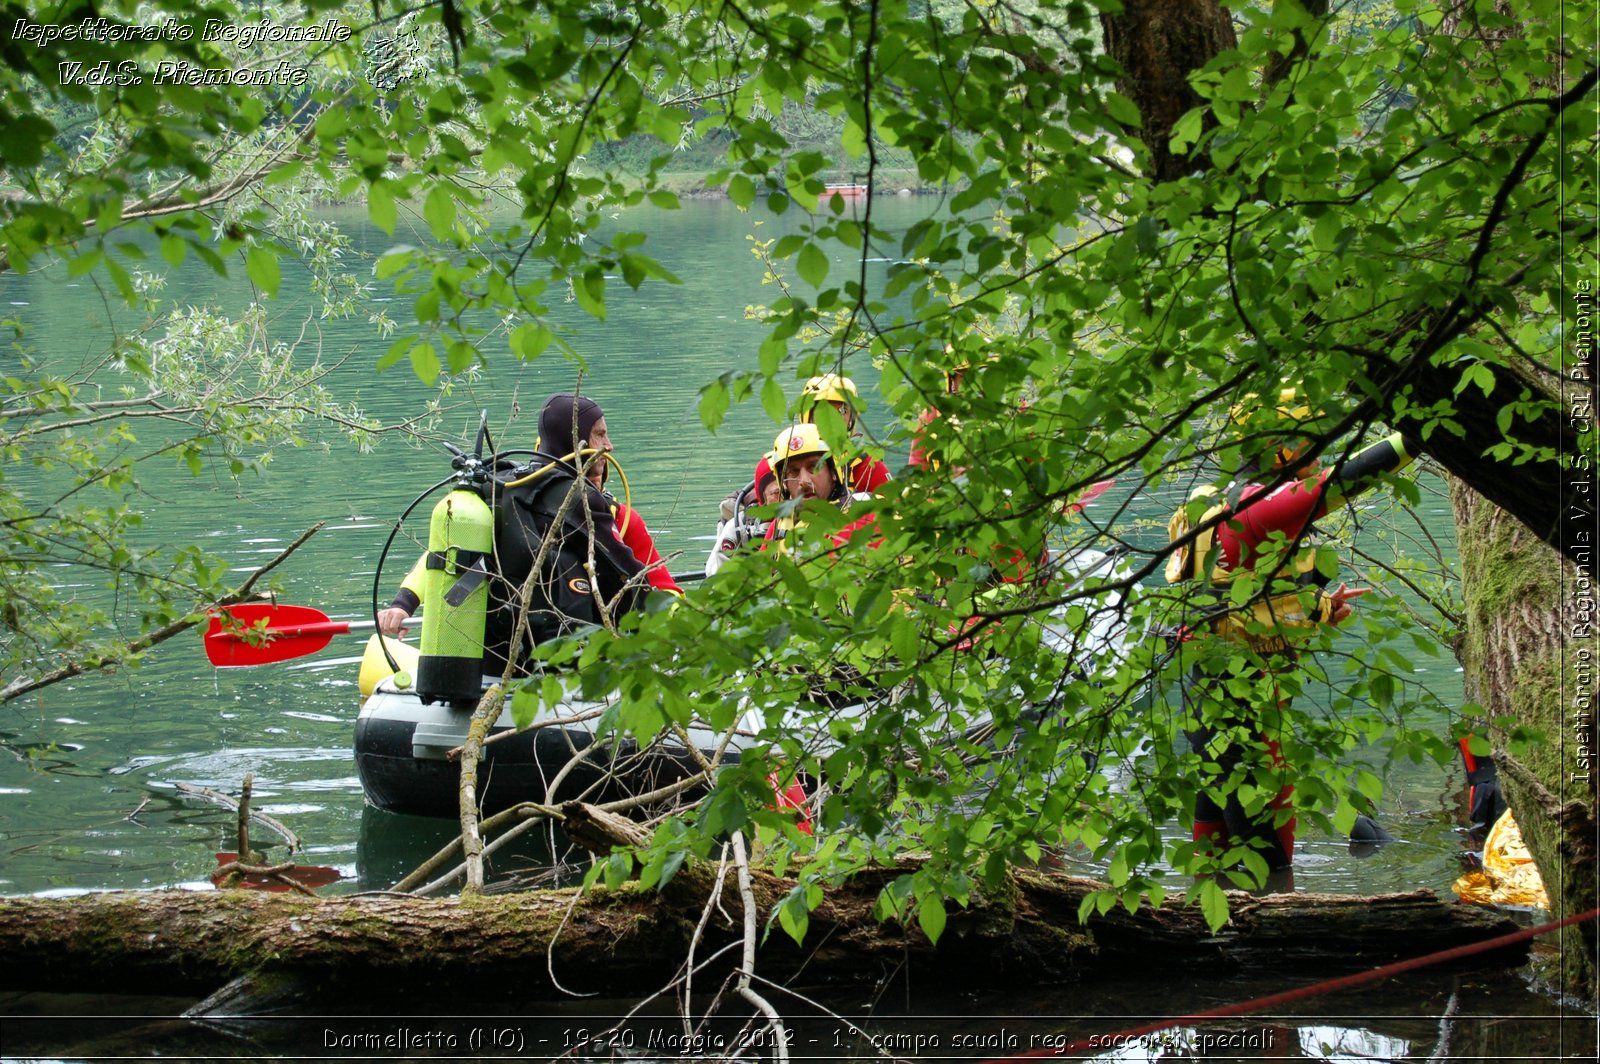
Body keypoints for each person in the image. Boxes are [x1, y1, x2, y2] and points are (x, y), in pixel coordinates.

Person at [1167, 387, 1418, 883]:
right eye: (1309, 440)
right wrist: (1417, 438)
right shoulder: (1260, 508)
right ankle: (1274, 937)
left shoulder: (1212, 503)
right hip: (1243, 706)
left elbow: (1237, 597)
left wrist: (1323, 609)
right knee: (1271, 865)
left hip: (1210, 693)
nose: (1320, 451)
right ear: (1278, 447)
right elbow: (1344, 481)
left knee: (1216, 837)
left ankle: (1206, 934)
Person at [378, 393, 678, 640]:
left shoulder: (505, 493)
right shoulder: (519, 498)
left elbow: (447, 551)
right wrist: (403, 605)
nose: (609, 447)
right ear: (575, 445)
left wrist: (404, 603)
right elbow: (452, 551)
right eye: (600, 435)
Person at [762, 423, 876, 553]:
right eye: (793, 472)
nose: (804, 481)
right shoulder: (779, 526)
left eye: (814, 467)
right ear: (784, 484)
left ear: (833, 472)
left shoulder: (862, 516)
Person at [799, 373, 890, 494]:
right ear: (807, 416)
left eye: (842, 411)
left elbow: (895, 507)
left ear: (852, 418)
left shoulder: (869, 467)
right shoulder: (787, 461)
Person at [705, 453, 780, 576]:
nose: (783, 499)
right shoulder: (740, 525)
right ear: (763, 496)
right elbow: (716, 572)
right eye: (776, 493)